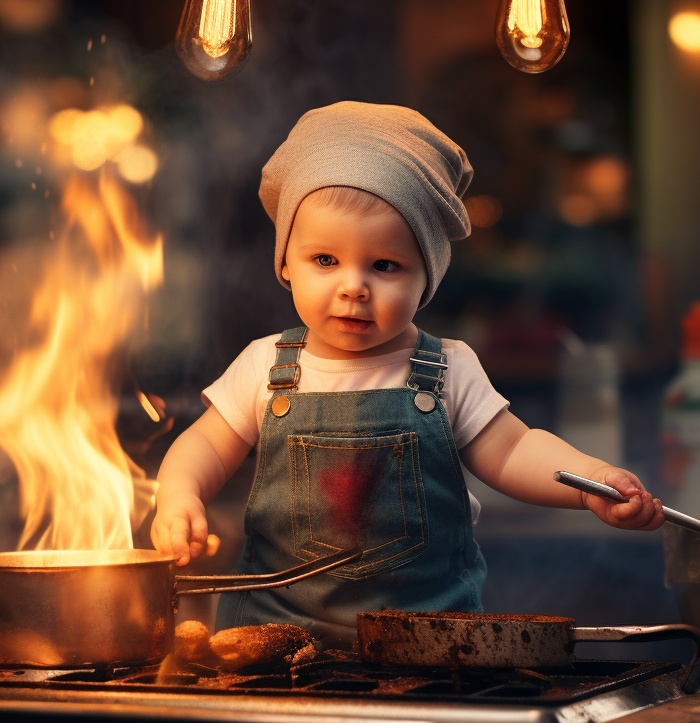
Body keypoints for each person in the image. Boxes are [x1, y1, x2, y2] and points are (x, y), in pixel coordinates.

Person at [152, 101, 664, 641]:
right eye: (325, 260)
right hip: (278, 648)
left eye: (385, 265)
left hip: (432, 647)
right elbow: (205, 446)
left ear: (428, 277)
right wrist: (180, 495)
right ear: (285, 263)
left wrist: (587, 482)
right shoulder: (267, 365)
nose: (354, 286)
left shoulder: (448, 368)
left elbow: (514, 450)